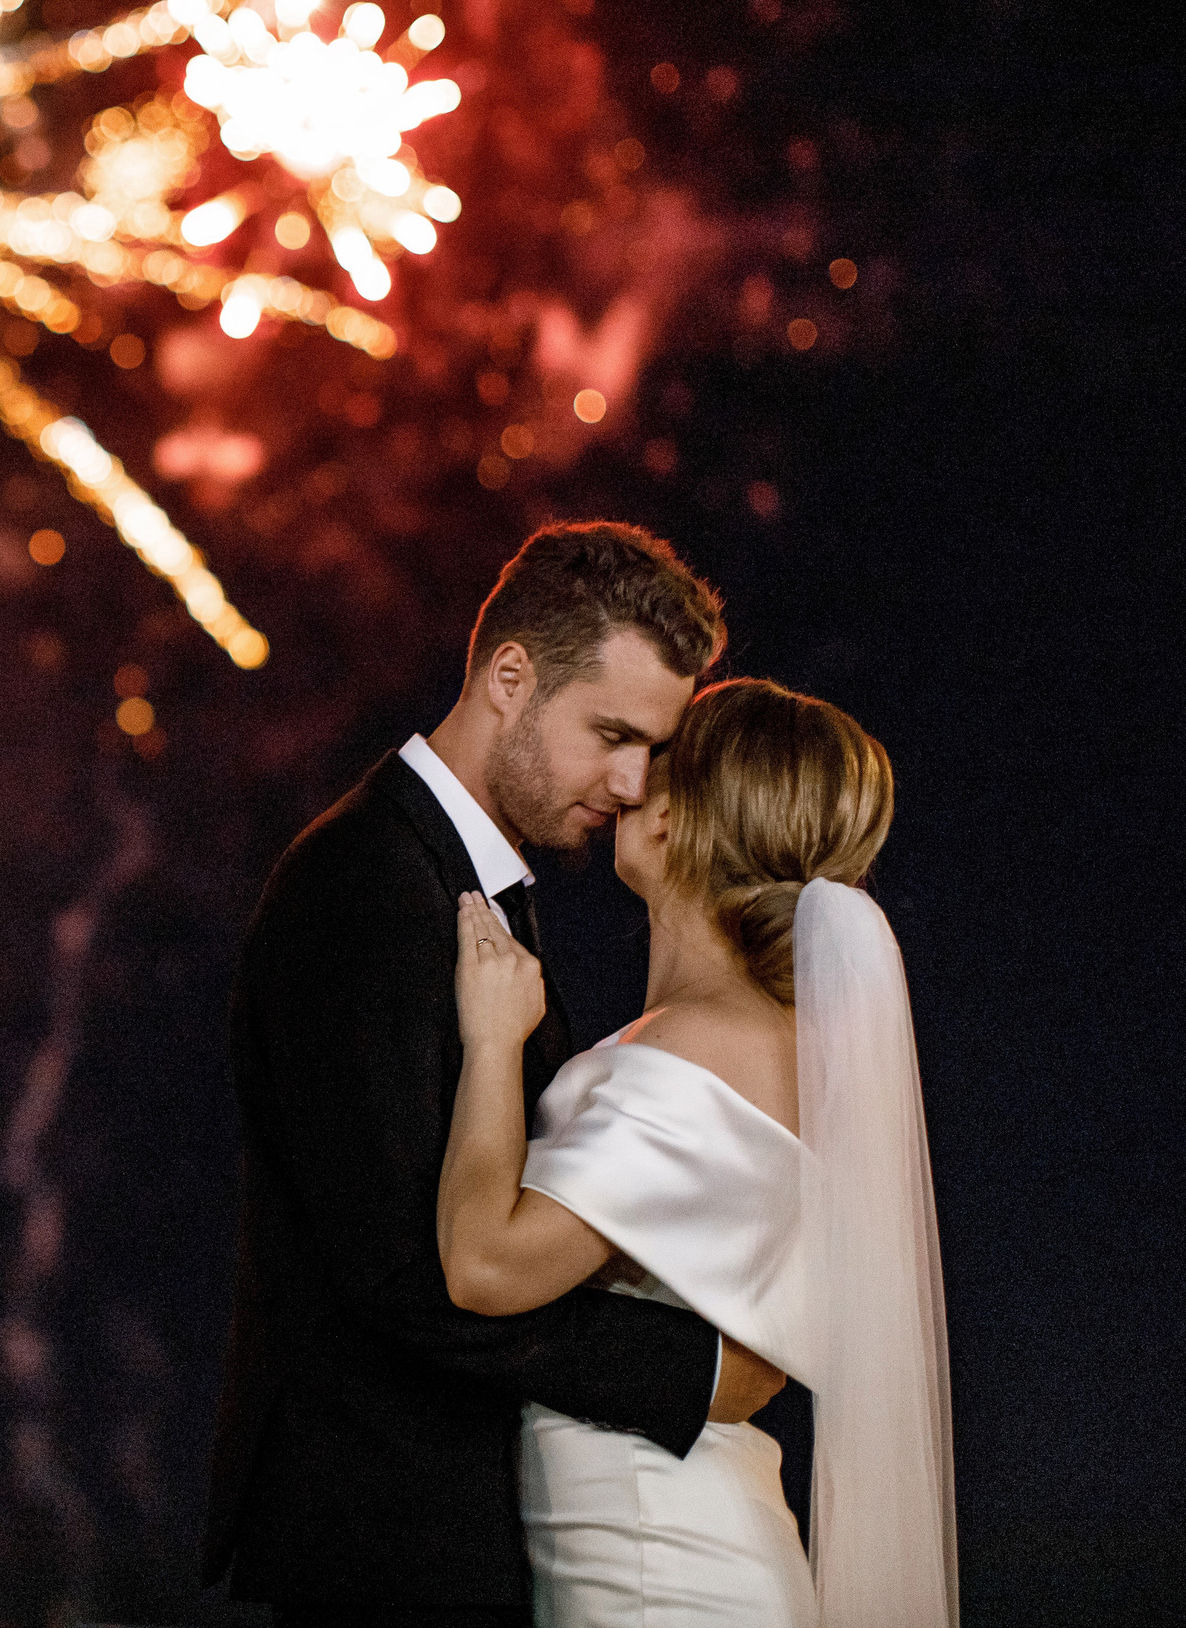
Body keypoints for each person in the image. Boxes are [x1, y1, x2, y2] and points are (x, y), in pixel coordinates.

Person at [203, 524, 787, 1628]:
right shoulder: (360, 885)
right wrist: (696, 1373)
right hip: (386, 1529)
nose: (628, 783)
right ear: (510, 677)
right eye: (611, 733)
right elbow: (400, 1274)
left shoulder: (466, 885)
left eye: (650, 751)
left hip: (453, 1520)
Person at [442, 678, 955, 1626]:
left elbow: (481, 1263)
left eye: (655, 762)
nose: (627, 782)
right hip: (707, 1531)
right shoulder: (792, 1046)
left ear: (682, 817)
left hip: (656, 1570)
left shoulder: (688, 1052)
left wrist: (490, 1042)